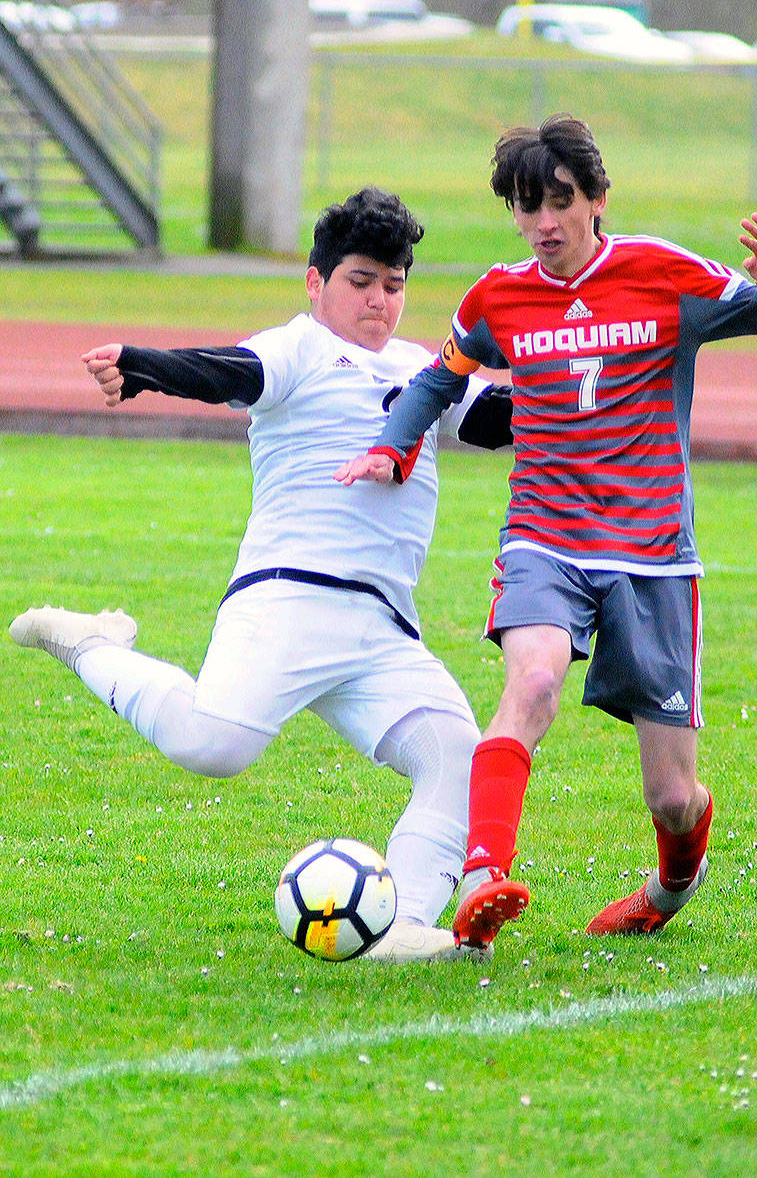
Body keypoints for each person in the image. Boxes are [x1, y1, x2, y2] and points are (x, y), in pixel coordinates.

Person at [335, 113, 757, 957]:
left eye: (560, 202)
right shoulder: (498, 296)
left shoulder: (662, 274)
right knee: (532, 684)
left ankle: (670, 886)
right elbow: (439, 379)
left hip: (652, 555)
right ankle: (483, 878)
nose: (544, 222)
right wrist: (393, 444)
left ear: (598, 198)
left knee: (674, 798)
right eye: (528, 207)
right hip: (545, 537)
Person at [9, 187, 513, 963]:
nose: (379, 301)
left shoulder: (424, 368)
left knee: (457, 758)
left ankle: (403, 926)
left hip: (382, 627)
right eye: (360, 281)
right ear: (315, 283)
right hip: (288, 598)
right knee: (214, 746)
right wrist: (142, 366)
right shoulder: (299, 348)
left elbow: (496, 419)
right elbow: (227, 372)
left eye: (394, 284)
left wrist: (586, 379)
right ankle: (89, 643)